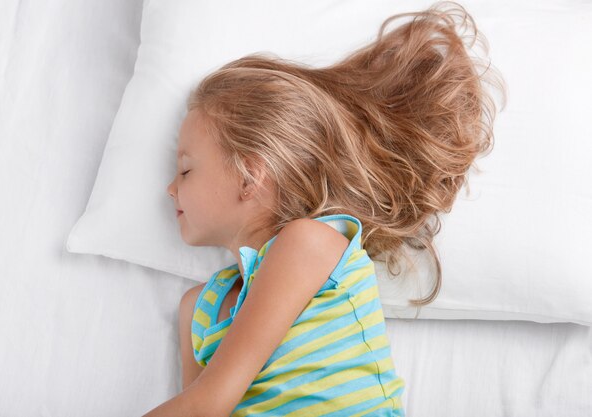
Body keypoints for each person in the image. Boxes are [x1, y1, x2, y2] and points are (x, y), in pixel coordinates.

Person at [146, 1, 505, 416]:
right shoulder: (198, 308)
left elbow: (208, 402)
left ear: (250, 177)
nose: (170, 189)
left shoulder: (308, 243)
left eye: (186, 170)